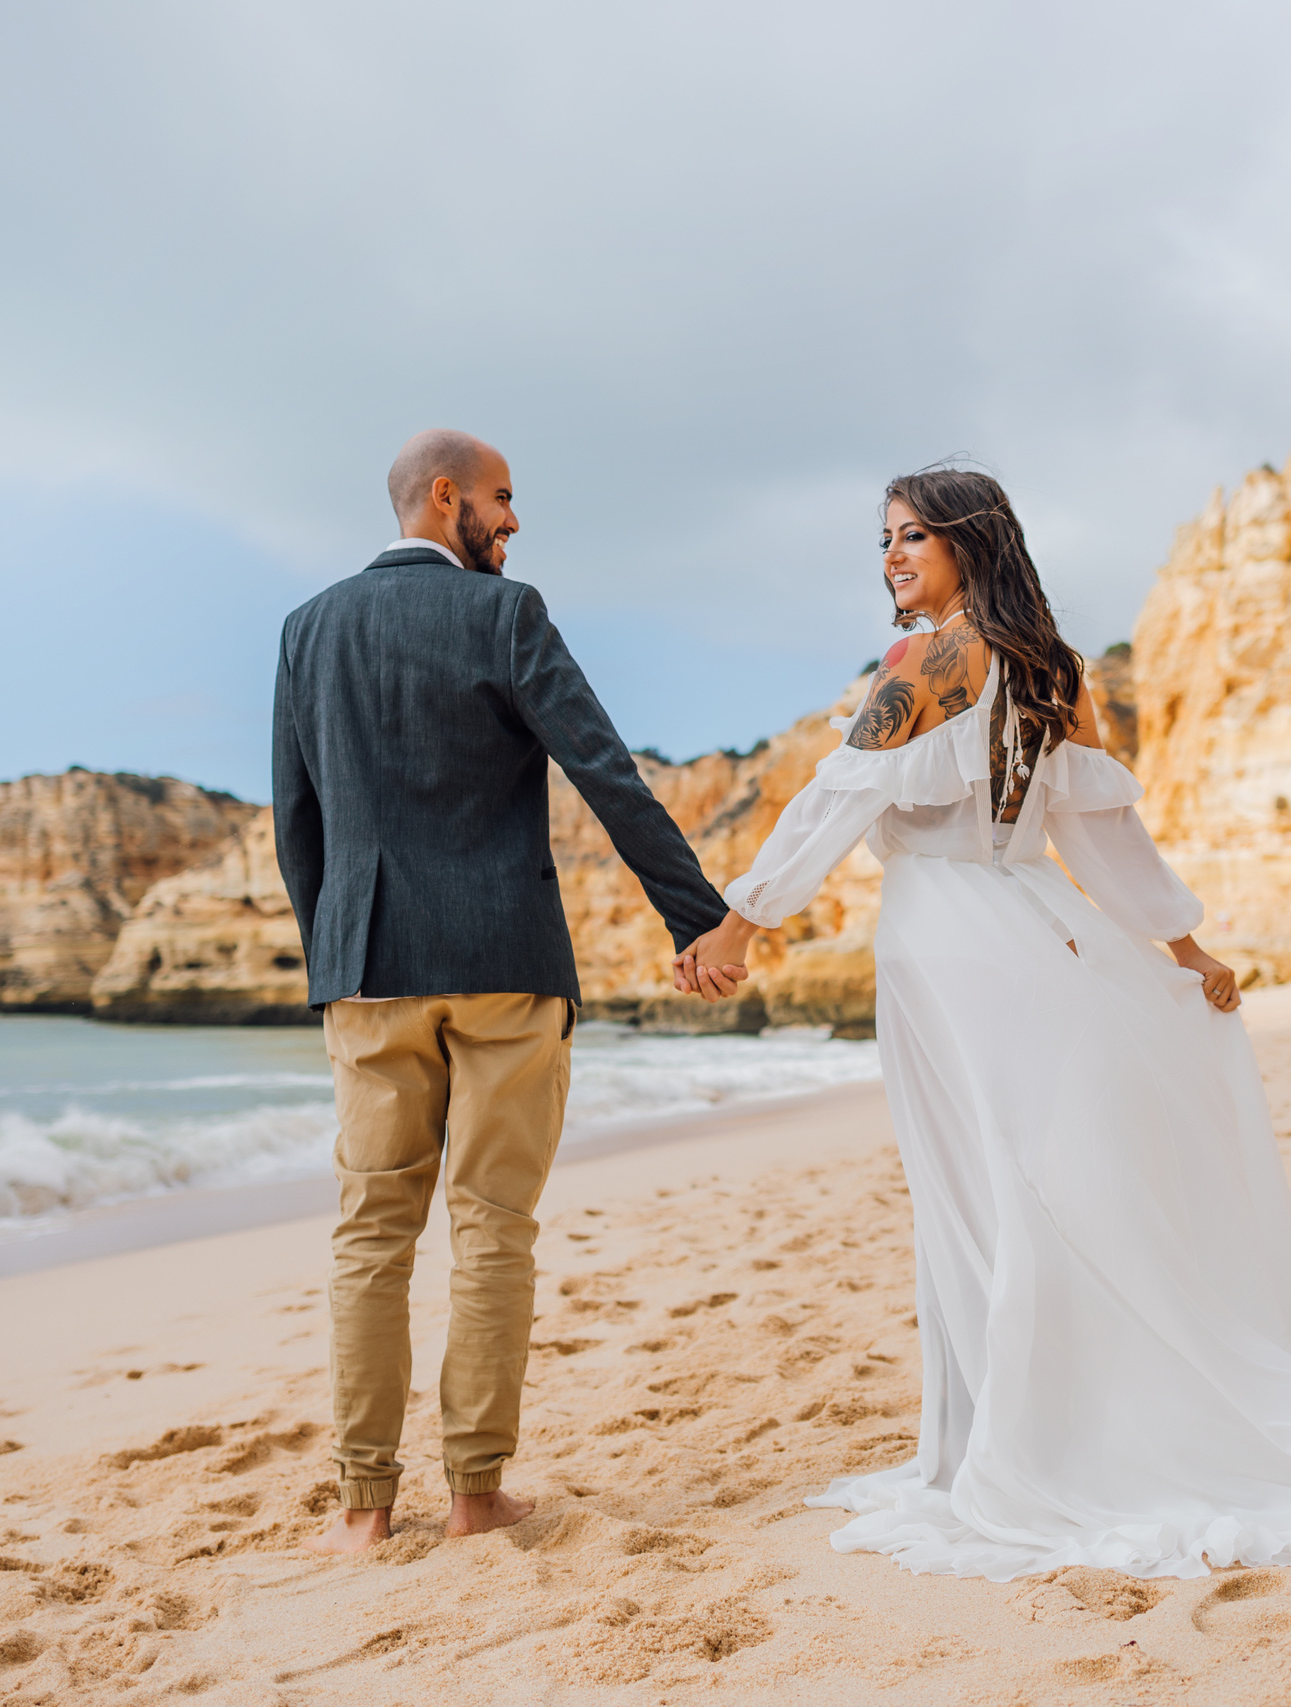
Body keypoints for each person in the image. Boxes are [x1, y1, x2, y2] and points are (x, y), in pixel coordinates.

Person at [670, 466, 1291, 1580]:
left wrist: (742, 924)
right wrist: (1181, 945)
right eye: (883, 542)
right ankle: (1046, 1426)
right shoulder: (1049, 667)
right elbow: (1100, 840)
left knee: (987, 1193)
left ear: (969, 543)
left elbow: (840, 795)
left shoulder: (930, 657)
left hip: (945, 942)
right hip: (1029, 929)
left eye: (911, 539)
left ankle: (1031, 1445)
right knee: (1036, 1183)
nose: (891, 559)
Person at [272, 429, 748, 1555]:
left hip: (368, 970)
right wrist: (696, 917)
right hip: (505, 969)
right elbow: (604, 770)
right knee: (492, 1230)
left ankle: (361, 1510)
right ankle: (476, 1496)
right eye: (501, 498)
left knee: (368, 1238)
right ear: (445, 499)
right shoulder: (505, 613)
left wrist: (332, 955)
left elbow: (297, 821)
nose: (513, 521)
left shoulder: (307, 630)